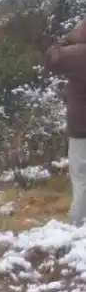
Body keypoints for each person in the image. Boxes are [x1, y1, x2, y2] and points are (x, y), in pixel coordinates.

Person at [43, 18, 86, 225]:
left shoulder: (75, 55)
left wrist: (68, 38)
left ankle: (78, 224)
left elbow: (52, 56)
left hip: (81, 127)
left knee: (82, 178)